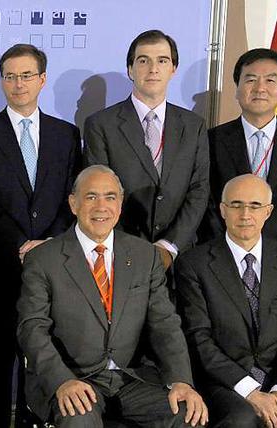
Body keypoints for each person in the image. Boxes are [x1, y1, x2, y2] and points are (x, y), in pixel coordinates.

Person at [18, 165, 208, 427]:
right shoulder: (43, 258)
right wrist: (61, 380)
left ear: (120, 205)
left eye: (110, 197)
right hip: (72, 377)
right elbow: (32, 328)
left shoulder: (145, 255)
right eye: (91, 197)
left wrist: (181, 381)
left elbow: (165, 324)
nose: (101, 207)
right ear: (73, 204)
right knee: (79, 419)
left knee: (188, 414)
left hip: (130, 378)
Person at [0, 43, 81, 427]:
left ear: (42, 79)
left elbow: (73, 198)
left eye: (26, 75)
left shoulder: (67, 135)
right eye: (10, 76)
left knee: (49, 355)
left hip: (55, 266)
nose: (18, 83)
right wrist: (19, 242)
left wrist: (48, 242)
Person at [176, 174, 277, 427]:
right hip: (225, 382)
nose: (245, 214)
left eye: (254, 206)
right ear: (222, 210)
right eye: (236, 205)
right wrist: (251, 391)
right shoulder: (193, 265)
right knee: (243, 420)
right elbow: (198, 338)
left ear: (268, 211)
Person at [83, 29, 209, 271]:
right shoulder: (101, 124)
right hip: (120, 255)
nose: (153, 68)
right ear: (130, 70)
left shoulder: (193, 125)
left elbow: (199, 190)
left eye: (162, 60)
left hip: (179, 257)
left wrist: (170, 246)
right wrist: (131, 248)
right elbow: (98, 194)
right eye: (143, 60)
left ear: (173, 69)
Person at [201, 48, 277, 258]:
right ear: (237, 89)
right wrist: (226, 254)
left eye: (270, 81)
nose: (260, 88)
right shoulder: (211, 140)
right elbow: (206, 203)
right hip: (222, 258)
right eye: (251, 80)